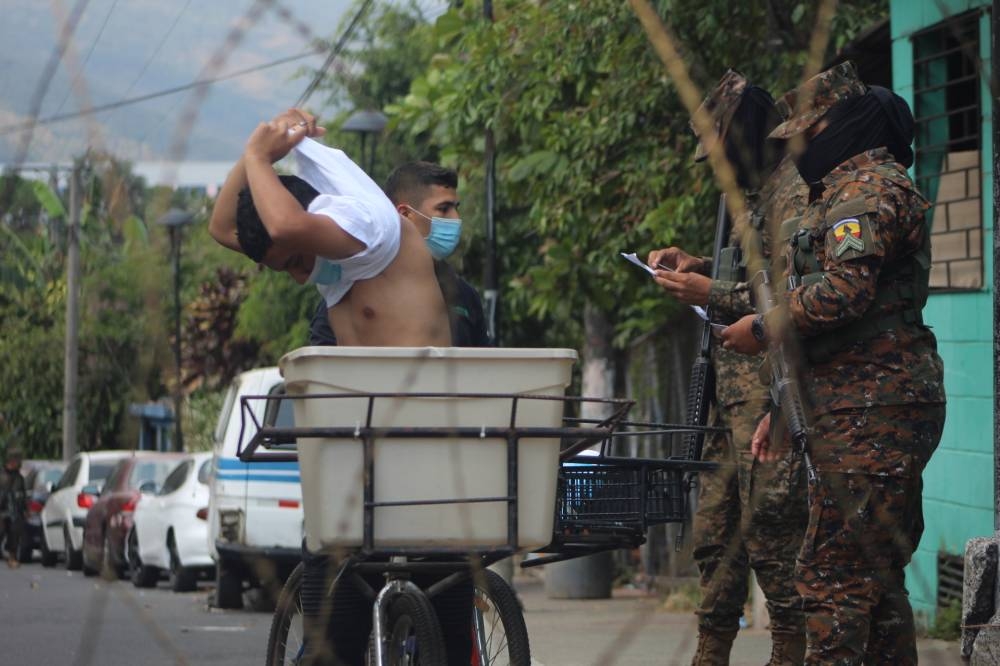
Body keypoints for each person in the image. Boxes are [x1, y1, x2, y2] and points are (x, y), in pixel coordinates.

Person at [720, 61, 946, 664]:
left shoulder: (866, 189)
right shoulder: (842, 191)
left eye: (810, 134)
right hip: (859, 404)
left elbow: (844, 292)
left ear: (845, 122)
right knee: (874, 583)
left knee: (832, 581)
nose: (800, 149)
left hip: (874, 408)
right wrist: (780, 406)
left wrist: (761, 328)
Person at [646, 70, 809, 665]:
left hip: (770, 395)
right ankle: (709, 653)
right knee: (715, 537)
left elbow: (793, 296)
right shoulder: (744, 200)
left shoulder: (794, 193)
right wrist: (695, 266)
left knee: (773, 531)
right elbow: (748, 275)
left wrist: (709, 290)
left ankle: (791, 652)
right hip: (726, 394)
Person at [209, 108, 451, 347]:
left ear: (315, 216)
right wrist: (262, 145)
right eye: (286, 270)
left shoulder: (368, 222)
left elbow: (286, 226)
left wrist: (258, 156)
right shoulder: (324, 254)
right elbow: (222, 229)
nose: (300, 278)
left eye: (295, 262)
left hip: (420, 375)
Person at [308, 161, 490, 347]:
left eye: (456, 208)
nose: (456, 219)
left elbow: (482, 361)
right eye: (443, 209)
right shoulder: (352, 288)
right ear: (404, 214)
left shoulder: (464, 294)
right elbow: (326, 359)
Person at [0, 447, 26, 569]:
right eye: (18, 460)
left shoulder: (19, 477)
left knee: (14, 534)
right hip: (2, 510)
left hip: (15, 511)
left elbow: (22, 494)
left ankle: (12, 557)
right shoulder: (2, 475)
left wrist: (25, 509)